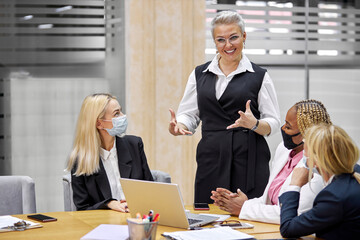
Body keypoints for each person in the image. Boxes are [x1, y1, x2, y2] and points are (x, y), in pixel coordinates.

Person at [168, 10, 281, 203]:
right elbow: (189, 114)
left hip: (248, 160)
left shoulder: (259, 76)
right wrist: (181, 125)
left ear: (244, 36)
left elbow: (274, 121)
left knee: (247, 218)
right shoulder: (199, 74)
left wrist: (254, 124)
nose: (228, 45)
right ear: (214, 42)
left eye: (233, 37)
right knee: (208, 215)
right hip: (211, 158)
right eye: (221, 40)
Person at [211, 99, 332, 224]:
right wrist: (239, 203)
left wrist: (244, 208)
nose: (283, 128)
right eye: (285, 123)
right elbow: (269, 201)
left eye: (288, 127)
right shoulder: (284, 150)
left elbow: (293, 213)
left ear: (306, 134)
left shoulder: (317, 166)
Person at [66, 93, 153, 211]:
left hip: (136, 220)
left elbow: (150, 191)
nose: (123, 116)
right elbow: (82, 208)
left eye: (121, 111)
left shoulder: (134, 145)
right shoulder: (80, 159)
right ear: (99, 123)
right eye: (116, 114)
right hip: (103, 224)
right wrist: (108, 204)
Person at [279, 124, 360, 239]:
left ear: (316, 159)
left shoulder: (333, 197)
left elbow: (288, 228)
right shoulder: (354, 174)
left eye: (305, 152)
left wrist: (294, 185)